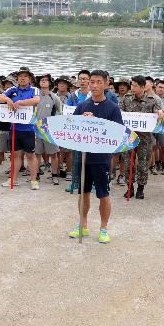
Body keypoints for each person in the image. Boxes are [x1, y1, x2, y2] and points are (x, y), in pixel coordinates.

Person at [69, 70, 124, 244]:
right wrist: (81, 122)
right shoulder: (82, 106)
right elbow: (72, 128)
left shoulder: (113, 108)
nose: (94, 86)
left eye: (99, 82)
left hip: (101, 158)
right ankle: (82, 224)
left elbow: (117, 134)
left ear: (107, 84)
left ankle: (104, 228)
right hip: (83, 157)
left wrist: (97, 122)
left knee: (103, 194)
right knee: (83, 193)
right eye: (92, 82)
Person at [0, 67, 42, 190]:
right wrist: (7, 99)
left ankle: (34, 180)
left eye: (25, 76)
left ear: (30, 78)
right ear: (17, 78)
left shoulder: (34, 89)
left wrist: (21, 102)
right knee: (15, 155)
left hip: (28, 128)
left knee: (31, 155)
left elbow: (36, 100)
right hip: (14, 128)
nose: (22, 78)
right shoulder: (12, 89)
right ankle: (13, 179)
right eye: (20, 76)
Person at [120, 75, 164, 199]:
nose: (132, 88)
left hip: (145, 139)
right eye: (132, 85)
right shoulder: (126, 99)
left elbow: (158, 111)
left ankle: (140, 188)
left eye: (135, 85)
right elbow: (119, 113)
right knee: (128, 164)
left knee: (143, 164)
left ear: (143, 87)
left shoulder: (152, 100)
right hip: (128, 138)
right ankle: (130, 188)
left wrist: (159, 112)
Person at [65, 69, 92, 193]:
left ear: (89, 80)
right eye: (80, 78)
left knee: (91, 159)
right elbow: (67, 111)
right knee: (76, 158)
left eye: (85, 79)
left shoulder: (93, 94)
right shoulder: (73, 95)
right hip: (76, 131)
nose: (82, 81)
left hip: (90, 131)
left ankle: (91, 183)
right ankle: (75, 183)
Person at [35, 73, 63, 185]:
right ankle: (35, 175)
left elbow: (60, 112)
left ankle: (54, 175)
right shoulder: (35, 96)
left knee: (53, 154)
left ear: (50, 83)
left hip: (49, 130)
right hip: (36, 129)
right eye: (41, 80)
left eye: (46, 80)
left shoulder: (54, 97)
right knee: (36, 154)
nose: (43, 81)